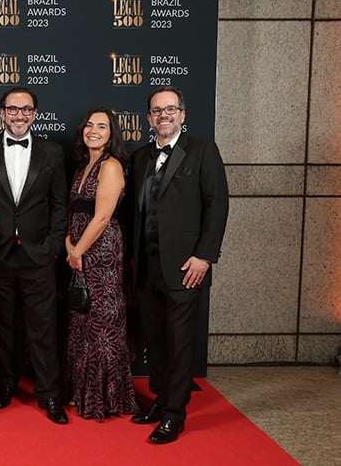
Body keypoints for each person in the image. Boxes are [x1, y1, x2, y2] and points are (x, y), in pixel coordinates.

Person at [126, 86, 228, 444]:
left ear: (182, 115)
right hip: (147, 267)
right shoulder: (140, 157)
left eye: (170, 109)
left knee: (180, 342)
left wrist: (204, 256)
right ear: (149, 118)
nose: (163, 115)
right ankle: (160, 399)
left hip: (186, 266)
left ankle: (175, 414)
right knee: (155, 340)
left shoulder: (203, 151)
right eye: (157, 110)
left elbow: (217, 205)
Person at [0, 87, 69, 425]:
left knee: (43, 328)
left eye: (26, 109)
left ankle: (49, 394)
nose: (19, 115)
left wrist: (53, 245)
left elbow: (59, 203)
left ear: (35, 114)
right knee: (3, 327)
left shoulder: (52, 151)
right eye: (13, 109)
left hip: (38, 254)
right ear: (2, 113)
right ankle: (6, 384)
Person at [62, 107, 138, 421]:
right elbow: (75, 210)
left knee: (102, 322)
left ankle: (104, 398)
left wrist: (77, 251)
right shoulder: (84, 165)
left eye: (102, 126)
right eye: (90, 125)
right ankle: (81, 391)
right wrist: (69, 244)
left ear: (112, 133)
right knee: (83, 319)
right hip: (79, 249)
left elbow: (103, 216)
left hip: (102, 252)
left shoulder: (111, 166)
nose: (94, 131)